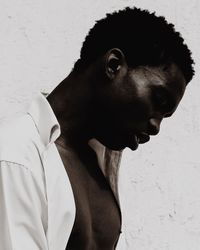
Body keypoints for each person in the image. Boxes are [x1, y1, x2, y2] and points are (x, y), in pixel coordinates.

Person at [0, 7, 194, 250]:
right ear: (113, 66)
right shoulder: (15, 156)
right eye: (159, 101)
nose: (156, 127)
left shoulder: (103, 167)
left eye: (165, 116)